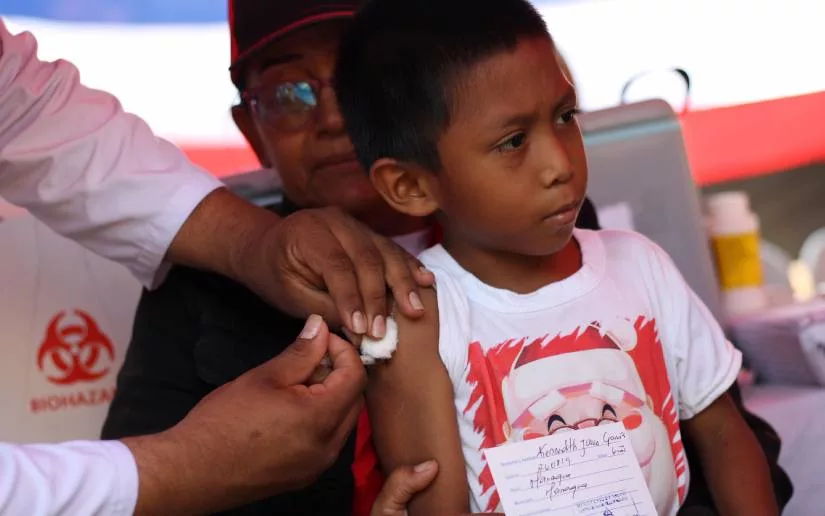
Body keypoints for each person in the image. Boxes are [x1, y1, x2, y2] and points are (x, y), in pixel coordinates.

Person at [332, 0, 779, 514]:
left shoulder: (641, 266)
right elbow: (436, 504)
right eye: (514, 141)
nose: (560, 164)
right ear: (411, 186)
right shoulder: (420, 316)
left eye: (566, 116)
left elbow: (724, 434)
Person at [0, 18, 434, 515]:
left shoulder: (500, 251)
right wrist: (189, 467)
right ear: (250, 129)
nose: (334, 117)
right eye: (289, 94)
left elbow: (25, 105)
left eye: (362, 81)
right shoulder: (203, 286)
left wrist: (254, 243)